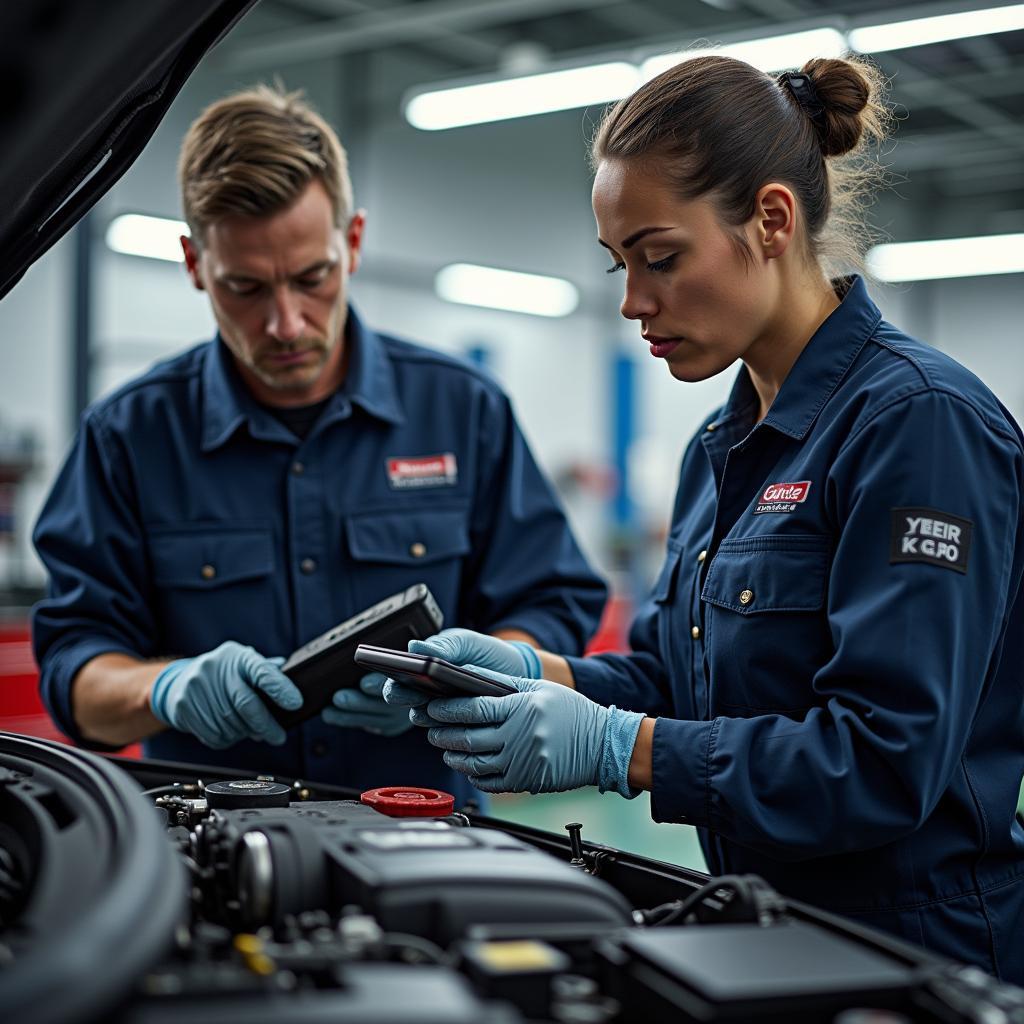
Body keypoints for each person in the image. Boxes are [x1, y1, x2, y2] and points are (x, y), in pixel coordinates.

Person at [382, 56, 1024, 981]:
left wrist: (616, 750)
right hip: (770, 928)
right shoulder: (721, 445)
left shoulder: (918, 424)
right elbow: (674, 674)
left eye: (661, 257)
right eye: (620, 264)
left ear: (770, 219)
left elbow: (884, 762)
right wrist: (530, 672)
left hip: (918, 949)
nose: (634, 302)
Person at [31, 85, 607, 806]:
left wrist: (459, 678)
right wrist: (169, 686)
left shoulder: (462, 412)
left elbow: (551, 606)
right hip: (213, 846)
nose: (285, 323)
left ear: (354, 242)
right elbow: (76, 675)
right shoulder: (129, 437)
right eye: (244, 286)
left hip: (426, 835)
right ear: (193, 263)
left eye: (312, 278)